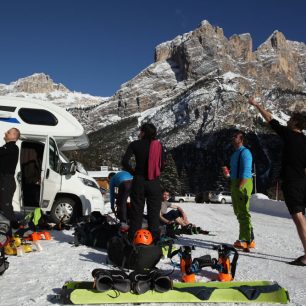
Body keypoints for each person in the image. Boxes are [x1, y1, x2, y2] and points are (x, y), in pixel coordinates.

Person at [248, 97, 306, 266]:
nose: (287, 121)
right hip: (303, 182)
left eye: (290, 119)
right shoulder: (305, 141)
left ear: (295, 122)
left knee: (299, 218)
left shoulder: (288, 134)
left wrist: (257, 105)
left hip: (292, 183)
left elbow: (270, 119)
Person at [122, 123, 164, 242]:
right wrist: (154, 171)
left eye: (140, 131)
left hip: (139, 180)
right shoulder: (158, 145)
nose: (139, 133)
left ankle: (133, 241)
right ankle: (154, 242)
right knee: (154, 214)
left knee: (136, 214)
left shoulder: (135, 144)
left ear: (144, 132)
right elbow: (163, 165)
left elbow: (125, 161)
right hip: (154, 182)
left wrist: (133, 171)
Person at [229, 130, 254, 249]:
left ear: (241, 139)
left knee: (243, 211)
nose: (233, 138)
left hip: (243, 184)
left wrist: (240, 186)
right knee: (238, 212)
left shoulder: (245, 152)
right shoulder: (235, 154)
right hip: (235, 183)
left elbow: (246, 170)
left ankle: (245, 239)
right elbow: (234, 171)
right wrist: (228, 174)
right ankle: (250, 237)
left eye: (236, 136)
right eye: (233, 136)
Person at [0, 128, 20, 230]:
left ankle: (15, 229)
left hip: (7, 181)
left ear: (14, 136)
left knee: (5, 206)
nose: (5, 133)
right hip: (3, 180)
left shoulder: (12, 148)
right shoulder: (6, 147)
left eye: (8, 132)